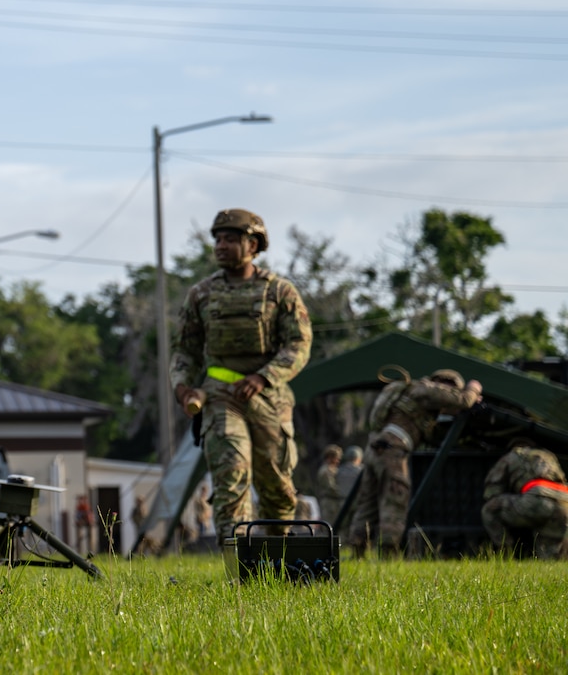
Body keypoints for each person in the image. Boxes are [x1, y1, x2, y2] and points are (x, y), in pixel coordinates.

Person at [170, 208, 312, 547]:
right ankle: (239, 566)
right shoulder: (200, 295)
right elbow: (185, 350)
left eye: (230, 240)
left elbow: (299, 344)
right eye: (218, 239)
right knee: (230, 476)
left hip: (269, 400)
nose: (221, 246)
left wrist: (264, 378)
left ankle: (278, 560)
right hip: (219, 397)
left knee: (276, 486)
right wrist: (181, 385)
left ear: (253, 245)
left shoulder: (280, 292)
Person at [342, 367, 481, 557]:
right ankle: (388, 555)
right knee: (394, 502)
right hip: (393, 450)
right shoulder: (426, 389)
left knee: (368, 504)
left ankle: (357, 552)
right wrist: (473, 389)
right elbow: (463, 400)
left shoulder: (413, 397)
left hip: (376, 448)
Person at [479, 441, 568, 558]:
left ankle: (506, 554)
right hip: (563, 500)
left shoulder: (513, 455)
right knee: (549, 555)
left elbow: (492, 490)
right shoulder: (548, 455)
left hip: (537, 498)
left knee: (490, 509)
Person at [314, 444, 345, 524]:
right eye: (336, 458)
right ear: (330, 457)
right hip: (330, 504)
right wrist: (345, 493)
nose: (338, 461)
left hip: (335, 503)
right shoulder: (326, 471)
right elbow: (331, 488)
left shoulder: (334, 469)